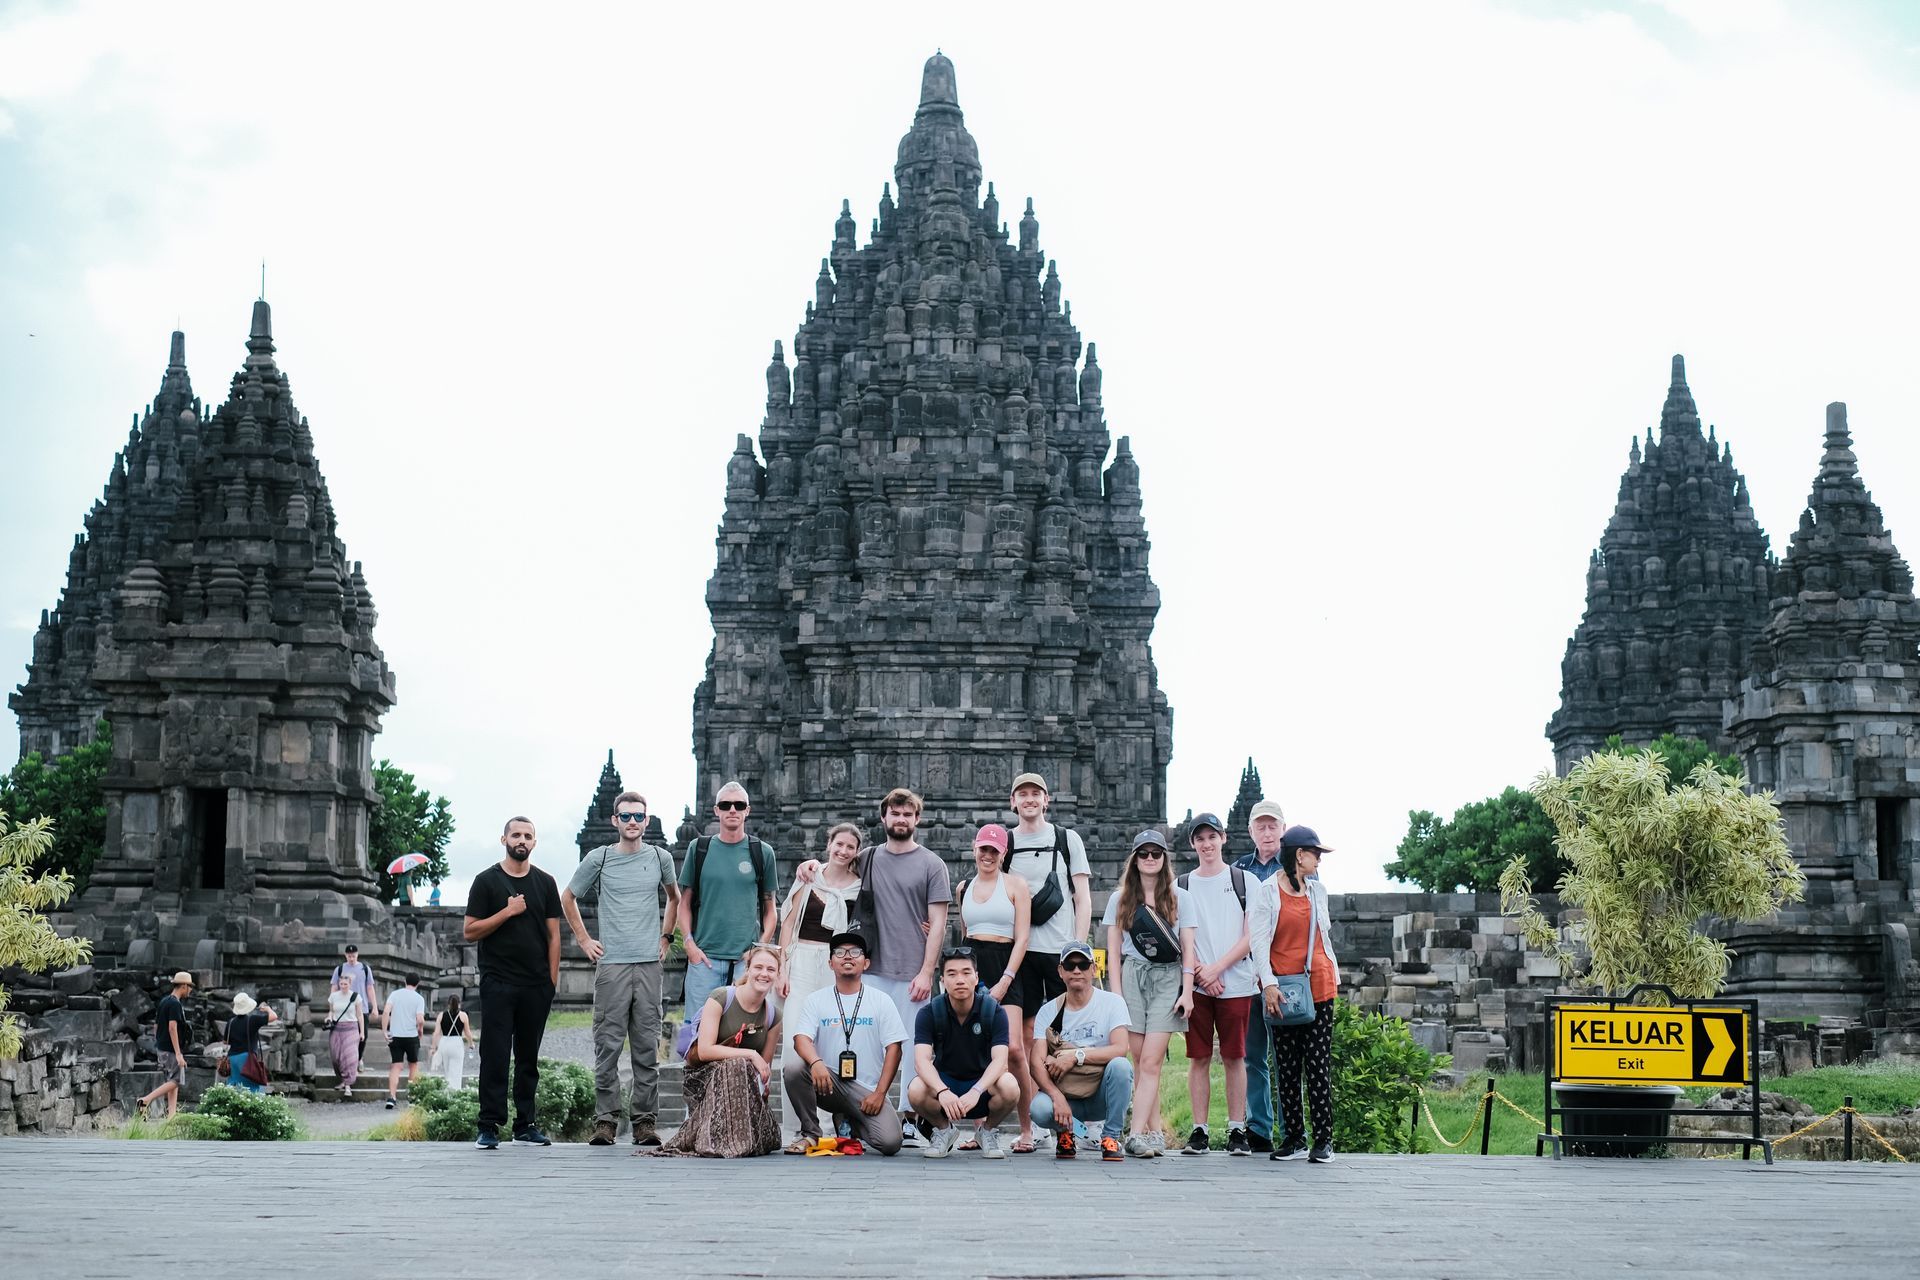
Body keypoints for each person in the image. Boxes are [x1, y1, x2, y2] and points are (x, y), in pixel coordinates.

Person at [563, 789, 681, 1148]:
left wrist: (666, 938)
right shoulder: (599, 858)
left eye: (638, 816)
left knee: (646, 1046)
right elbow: (567, 897)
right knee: (608, 1045)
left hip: (648, 963)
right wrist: (584, 941)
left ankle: (645, 1122)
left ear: (646, 820)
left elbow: (674, 898)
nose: (632, 822)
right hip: (611, 964)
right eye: (625, 816)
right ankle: (605, 1122)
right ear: (615, 821)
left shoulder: (660, 857)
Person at [464, 815, 562, 1150]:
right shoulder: (485, 881)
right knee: (495, 1053)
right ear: (503, 839)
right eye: (516, 835)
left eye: (528, 835)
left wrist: (551, 981)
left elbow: (553, 935)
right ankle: (488, 1125)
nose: (522, 840)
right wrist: (506, 912)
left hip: (536, 983)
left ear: (535, 842)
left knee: (528, 1056)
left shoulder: (546, 883)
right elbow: (470, 930)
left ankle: (525, 1123)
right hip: (498, 981)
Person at [1102, 829, 1197, 1157]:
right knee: (1140, 1060)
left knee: (1153, 1060)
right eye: (1144, 854)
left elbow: (1188, 949)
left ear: (1164, 858)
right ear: (1135, 859)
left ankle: (1136, 1133)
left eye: (1156, 853)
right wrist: (1116, 996)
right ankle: (1155, 1131)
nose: (1150, 859)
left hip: (1168, 979)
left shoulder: (1180, 897)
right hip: (1132, 976)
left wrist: (1188, 992)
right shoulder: (1120, 899)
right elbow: (1113, 953)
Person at [1251, 825, 1342, 1164]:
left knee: (1317, 1064)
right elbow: (1259, 941)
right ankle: (1294, 1137)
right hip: (1283, 988)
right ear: (1298, 855)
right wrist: (1268, 983)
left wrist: (1333, 969)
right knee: (1286, 1065)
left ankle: (1324, 1139)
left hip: (1319, 985)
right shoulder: (1267, 892)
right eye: (1314, 852)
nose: (1319, 859)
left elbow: (1324, 936)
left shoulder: (1318, 891)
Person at [775, 822, 864, 1149]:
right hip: (800, 963)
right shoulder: (810, 877)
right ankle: (797, 1126)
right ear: (829, 844)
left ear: (856, 852)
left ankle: (824, 1126)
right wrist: (782, 969)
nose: (843, 851)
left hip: (833, 965)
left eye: (850, 847)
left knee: (828, 1043)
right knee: (794, 1046)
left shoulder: (858, 887)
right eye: (838, 844)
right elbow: (788, 924)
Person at [783, 931, 908, 1156]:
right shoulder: (816, 1000)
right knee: (794, 1068)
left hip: (866, 1090)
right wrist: (816, 1062)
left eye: (855, 952)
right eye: (839, 953)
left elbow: (895, 1048)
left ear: (866, 963)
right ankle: (810, 1133)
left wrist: (880, 1093)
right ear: (831, 963)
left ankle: (850, 1121)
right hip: (829, 1082)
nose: (847, 957)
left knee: (890, 1143)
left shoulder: (881, 1000)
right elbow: (800, 1039)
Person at [1177, 811, 1257, 1155]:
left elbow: (1252, 935)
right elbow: (1176, 934)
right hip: (1196, 986)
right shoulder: (1181, 886)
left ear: (1224, 838)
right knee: (1198, 1057)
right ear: (1192, 843)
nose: (1206, 844)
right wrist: (1199, 971)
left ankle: (1238, 1128)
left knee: (1234, 1056)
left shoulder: (1245, 881)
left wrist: (1217, 969)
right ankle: (1199, 1129)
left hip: (1235, 982)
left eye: (1212, 837)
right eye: (1200, 839)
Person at [654, 943, 782, 1158]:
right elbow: (704, 1051)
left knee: (741, 1069)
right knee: (736, 1064)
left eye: (771, 970)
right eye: (758, 967)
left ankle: (740, 1136)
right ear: (748, 969)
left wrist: (761, 1087)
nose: (764, 974)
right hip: (705, 1075)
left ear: (777, 975)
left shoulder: (773, 1016)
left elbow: (764, 1069)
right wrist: (750, 1054)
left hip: (746, 1086)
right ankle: (726, 1140)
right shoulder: (722, 997)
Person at [954, 822, 1037, 1152]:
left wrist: (1005, 980)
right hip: (971, 963)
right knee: (973, 1047)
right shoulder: (964, 887)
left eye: (994, 850)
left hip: (1006, 962)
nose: (987, 855)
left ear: (1003, 853)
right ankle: (979, 1128)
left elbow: (1023, 937)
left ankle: (1027, 1129)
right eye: (983, 849)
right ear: (975, 850)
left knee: (1014, 1050)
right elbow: (964, 931)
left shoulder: (1016, 885)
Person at [678, 781, 779, 1022]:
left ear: (747, 810)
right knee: (696, 1031)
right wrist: (689, 945)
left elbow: (770, 909)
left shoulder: (762, 852)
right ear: (716, 810)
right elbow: (684, 903)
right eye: (725, 805)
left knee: (743, 1030)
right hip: (705, 958)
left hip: (744, 960)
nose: (732, 809)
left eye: (738, 805)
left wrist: (757, 951)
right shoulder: (699, 848)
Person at [908, 948, 1019, 1158]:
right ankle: (943, 1130)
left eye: (966, 973)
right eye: (952, 974)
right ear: (942, 980)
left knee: (1010, 1085)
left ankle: (987, 1132)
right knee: (915, 1088)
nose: (960, 979)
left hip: (982, 1089)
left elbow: (1001, 1061)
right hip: (946, 1088)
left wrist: (976, 1090)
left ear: (976, 978)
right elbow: (921, 1062)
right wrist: (942, 1091)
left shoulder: (993, 1011)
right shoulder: (929, 1012)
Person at [1029, 941, 1134, 1161]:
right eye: (1069, 965)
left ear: (1094, 969)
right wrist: (1057, 1097)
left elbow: (1120, 1049)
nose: (1076, 970)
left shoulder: (1113, 1003)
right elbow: (1035, 1063)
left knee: (1121, 1067)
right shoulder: (1048, 1011)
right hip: (1067, 1094)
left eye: (1083, 964)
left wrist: (1075, 1056)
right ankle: (1067, 1132)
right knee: (1039, 1109)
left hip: (1100, 1093)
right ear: (1060, 971)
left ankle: (1111, 1137)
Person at [1233, 798, 1288, 1153]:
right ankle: (1259, 1128)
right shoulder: (1238, 871)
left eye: (1273, 826)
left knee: (1286, 1058)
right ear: (1250, 831)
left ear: (1283, 829)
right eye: (1261, 826)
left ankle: (1292, 1130)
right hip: (1247, 976)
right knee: (1252, 1055)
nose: (1267, 832)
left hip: (1285, 977)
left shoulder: (1298, 866)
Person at [138, 971, 194, 1118]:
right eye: (190, 987)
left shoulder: (164, 1001)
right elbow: (172, 1027)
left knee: (171, 1081)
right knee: (176, 1081)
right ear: (183, 986)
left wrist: (159, 1042)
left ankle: (171, 1116)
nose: (191, 990)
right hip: (171, 1049)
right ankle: (145, 1100)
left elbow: (156, 1026)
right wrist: (178, 1053)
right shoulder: (175, 1004)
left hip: (162, 1047)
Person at [382, 974, 428, 1108]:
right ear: (418, 984)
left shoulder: (395, 994)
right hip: (411, 1035)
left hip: (395, 1035)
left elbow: (386, 1012)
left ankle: (392, 1097)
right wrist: (420, 1030)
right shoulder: (419, 998)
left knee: (396, 1066)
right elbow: (420, 1019)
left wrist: (385, 1031)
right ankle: (412, 1097)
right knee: (413, 1065)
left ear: (404, 981)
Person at [330, 944, 377, 1072]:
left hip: (362, 1008)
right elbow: (334, 987)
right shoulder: (339, 969)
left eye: (354, 955)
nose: (351, 958)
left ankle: (358, 1058)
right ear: (346, 955)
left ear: (357, 954)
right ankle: (347, 1062)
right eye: (349, 956)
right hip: (344, 1009)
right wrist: (332, 1005)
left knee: (363, 1036)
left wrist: (375, 1006)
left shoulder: (365, 969)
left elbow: (370, 988)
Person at [224, 992, 277, 1093]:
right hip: (246, 1058)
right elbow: (274, 1016)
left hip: (232, 1058)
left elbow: (225, 1042)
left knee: (234, 1088)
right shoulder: (252, 1020)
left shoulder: (230, 1022)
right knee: (251, 1088)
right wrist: (267, 1009)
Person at [324, 973, 363, 1098]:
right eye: (341, 984)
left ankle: (348, 1085)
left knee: (349, 1057)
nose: (343, 986)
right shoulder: (334, 996)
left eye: (346, 984)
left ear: (350, 984)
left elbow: (360, 1015)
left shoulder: (356, 997)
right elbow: (331, 1010)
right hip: (337, 1028)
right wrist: (329, 1018)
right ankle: (342, 1079)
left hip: (351, 1027)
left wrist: (362, 1032)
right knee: (336, 1057)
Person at [429, 993, 473, 1090]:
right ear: (459, 1004)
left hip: (444, 1043)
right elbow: (468, 1032)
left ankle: (448, 1091)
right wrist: (471, 1044)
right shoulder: (463, 1015)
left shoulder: (441, 1015)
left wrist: (433, 1047)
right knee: (456, 1071)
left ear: (448, 1004)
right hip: (457, 1043)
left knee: (447, 1071)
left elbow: (436, 1033)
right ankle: (455, 1091)